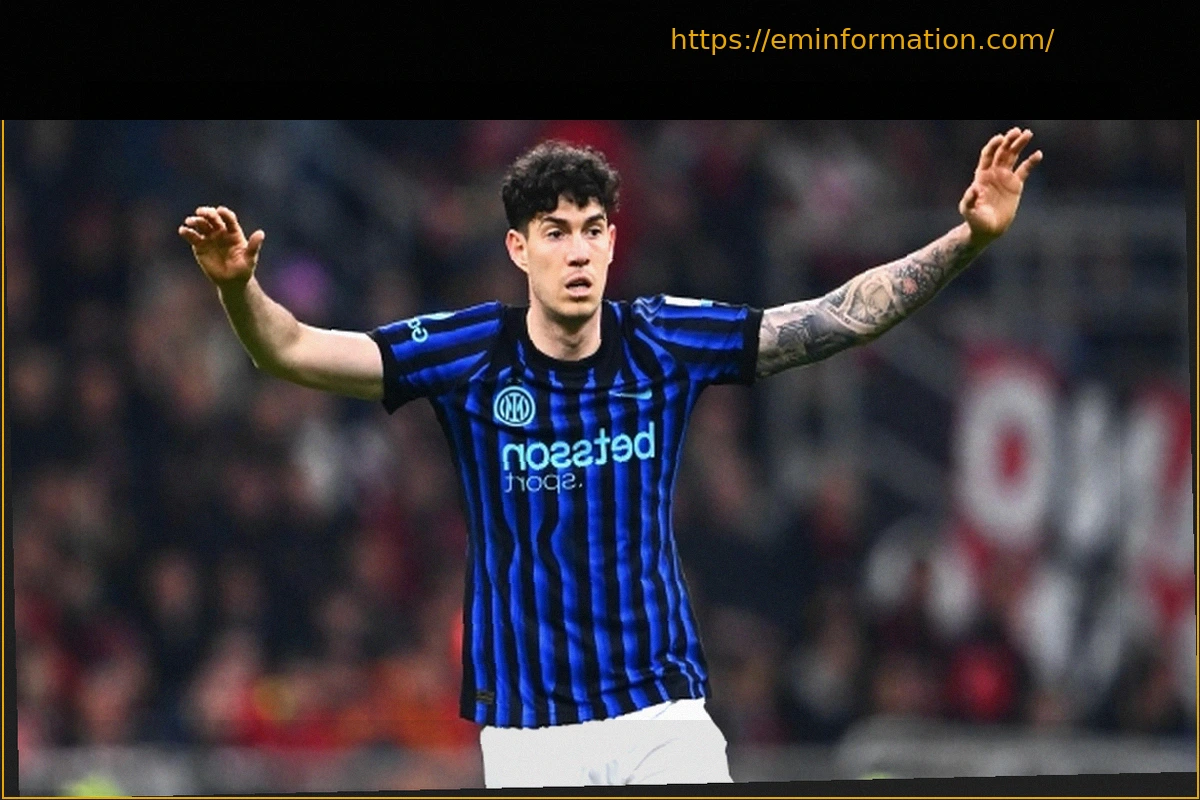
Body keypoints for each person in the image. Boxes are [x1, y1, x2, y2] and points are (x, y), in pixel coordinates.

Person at [178, 126, 1042, 787]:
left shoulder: (664, 338)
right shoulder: (469, 353)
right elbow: (292, 349)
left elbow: (832, 319)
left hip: (662, 715)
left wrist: (965, 241)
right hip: (531, 733)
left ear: (614, 243)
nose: (579, 249)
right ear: (519, 249)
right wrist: (238, 289)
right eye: (555, 231)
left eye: (593, 229)